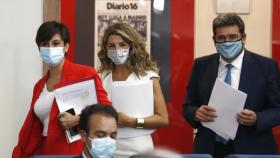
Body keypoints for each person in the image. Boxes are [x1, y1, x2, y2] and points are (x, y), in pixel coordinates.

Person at [183, 13, 280, 157]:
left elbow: (277, 109)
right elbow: (188, 106)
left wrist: (257, 118)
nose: (227, 42)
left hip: (252, 148)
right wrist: (196, 113)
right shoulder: (201, 65)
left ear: (244, 38)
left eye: (233, 37)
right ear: (214, 40)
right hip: (210, 148)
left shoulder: (266, 67)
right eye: (221, 38)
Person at [13, 21, 111, 158]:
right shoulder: (39, 85)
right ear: (40, 49)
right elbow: (34, 128)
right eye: (45, 44)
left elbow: (107, 112)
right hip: (44, 150)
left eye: (55, 43)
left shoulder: (85, 73)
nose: (50, 48)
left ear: (66, 47)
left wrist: (78, 119)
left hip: (75, 150)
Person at [97, 23, 169, 157]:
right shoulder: (101, 78)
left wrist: (132, 121)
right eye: (111, 46)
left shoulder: (148, 77)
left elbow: (163, 119)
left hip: (139, 147)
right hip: (107, 146)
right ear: (106, 49)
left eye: (123, 44)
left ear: (132, 46)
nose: (117, 49)